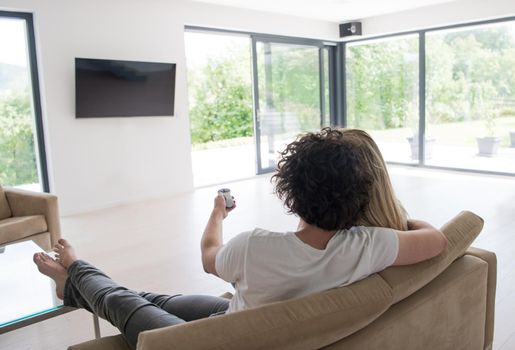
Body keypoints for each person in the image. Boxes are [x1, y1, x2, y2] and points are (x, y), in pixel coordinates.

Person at [34, 127, 447, 349]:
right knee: (152, 299)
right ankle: (71, 286)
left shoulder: (255, 246)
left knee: (119, 301)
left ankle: (73, 271)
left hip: (217, 342)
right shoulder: (372, 246)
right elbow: (437, 240)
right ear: (361, 197)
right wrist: (394, 220)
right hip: (240, 320)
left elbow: (209, 255)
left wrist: (216, 213)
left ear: (290, 193)